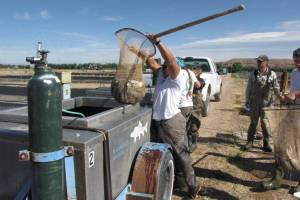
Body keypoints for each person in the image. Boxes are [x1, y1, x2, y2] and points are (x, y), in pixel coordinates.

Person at [146, 34, 200, 199]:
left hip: (172, 121)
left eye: (166, 66)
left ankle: (193, 186)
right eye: (163, 66)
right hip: (158, 122)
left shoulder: (178, 77)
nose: (163, 67)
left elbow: (169, 61)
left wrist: (158, 42)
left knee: (181, 155)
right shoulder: (163, 75)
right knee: (160, 154)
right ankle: (166, 182)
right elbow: (151, 61)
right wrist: (142, 48)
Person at [262, 48, 300, 199]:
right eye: (295, 60)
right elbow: (292, 91)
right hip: (292, 111)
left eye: (299, 60)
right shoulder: (294, 72)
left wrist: (295, 94)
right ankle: (276, 179)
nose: (296, 63)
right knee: (281, 143)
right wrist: (286, 98)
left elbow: (296, 92)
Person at [242, 55, 281, 152]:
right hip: (254, 103)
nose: (259, 63)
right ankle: (249, 142)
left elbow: (276, 88)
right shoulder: (253, 74)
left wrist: (281, 98)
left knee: (265, 123)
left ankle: (267, 144)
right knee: (253, 123)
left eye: (261, 61)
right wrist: (247, 101)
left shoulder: (272, 74)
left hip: (267, 104)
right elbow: (248, 89)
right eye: (258, 61)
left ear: (266, 62)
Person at [178, 62, 201, 152]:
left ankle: (192, 143)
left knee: (193, 127)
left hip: (194, 106)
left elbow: (198, 85)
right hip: (189, 105)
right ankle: (187, 145)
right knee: (187, 127)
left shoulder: (198, 79)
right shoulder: (187, 75)